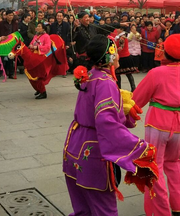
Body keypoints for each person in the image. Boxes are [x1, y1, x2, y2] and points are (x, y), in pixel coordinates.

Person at [63, 35, 157, 216]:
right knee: (105, 210)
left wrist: (122, 111)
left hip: (75, 147)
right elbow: (106, 122)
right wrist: (138, 148)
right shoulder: (105, 83)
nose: (119, 55)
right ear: (110, 56)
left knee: (83, 208)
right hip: (93, 151)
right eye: (116, 52)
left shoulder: (90, 76)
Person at [133, 34, 180, 216]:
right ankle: (178, 206)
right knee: (174, 163)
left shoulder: (156, 73)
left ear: (164, 51)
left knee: (155, 165)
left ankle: (161, 210)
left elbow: (137, 99)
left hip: (158, 122)